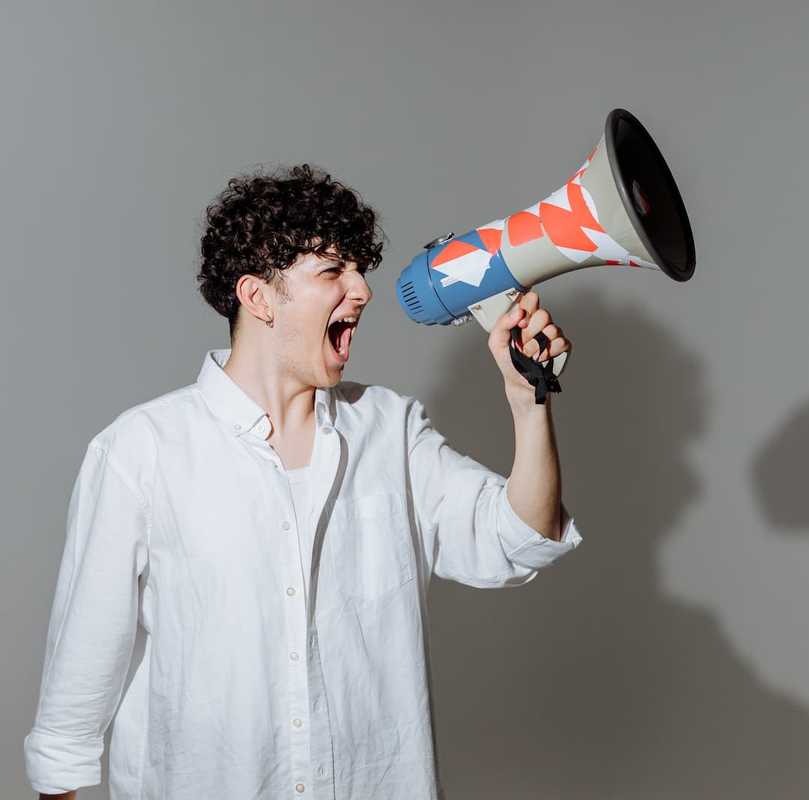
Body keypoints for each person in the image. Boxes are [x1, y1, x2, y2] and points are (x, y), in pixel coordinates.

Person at [22, 164, 582, 799]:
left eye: (359, 269)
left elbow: (520, 538)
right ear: (258, 297)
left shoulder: (390, 429)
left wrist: (526, 398)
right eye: (333, 272)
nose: (363, 291)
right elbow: (71, 714)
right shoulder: (140, 452)